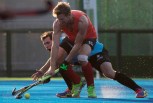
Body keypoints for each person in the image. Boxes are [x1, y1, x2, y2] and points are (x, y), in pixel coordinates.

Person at [32, 31, 147, 98]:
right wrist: (43, 72)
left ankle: (138, 89)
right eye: (44, 44)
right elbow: (54, 60)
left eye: (48, 43)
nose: (47, 46)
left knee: (109, 73)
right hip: (79, 57)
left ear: (55, 41)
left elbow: (55, 60)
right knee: (62, 65)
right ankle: (72, 88)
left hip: (95, 52)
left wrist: (46, 74)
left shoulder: (64, 42)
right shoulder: (58, 49)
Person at [45, 2, 97, 98]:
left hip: (88, 38)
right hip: (72, 37)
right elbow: (55, 46)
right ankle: (77, 83)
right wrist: (51, 68)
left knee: (82, 58)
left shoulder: (82, 20)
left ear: (69, 15)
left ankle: (91, 88)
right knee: (59, 60)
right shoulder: (57, 23)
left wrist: (67, 61)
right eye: (58, 19)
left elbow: (77, 44)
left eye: (62, 19)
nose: (60, 22)